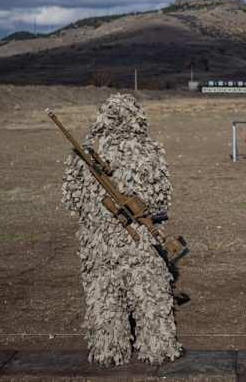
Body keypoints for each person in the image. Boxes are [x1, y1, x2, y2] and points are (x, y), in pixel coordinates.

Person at [62, 94, 181, 366]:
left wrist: (96, 217)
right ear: (137, 118)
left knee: (103, 296)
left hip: (98, 240)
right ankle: (157, 349)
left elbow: (72, 198)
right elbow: (161, 197)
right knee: (149, 293)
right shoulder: (148, 149)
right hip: (141, 241)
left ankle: (108, 350)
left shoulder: (84, 152)